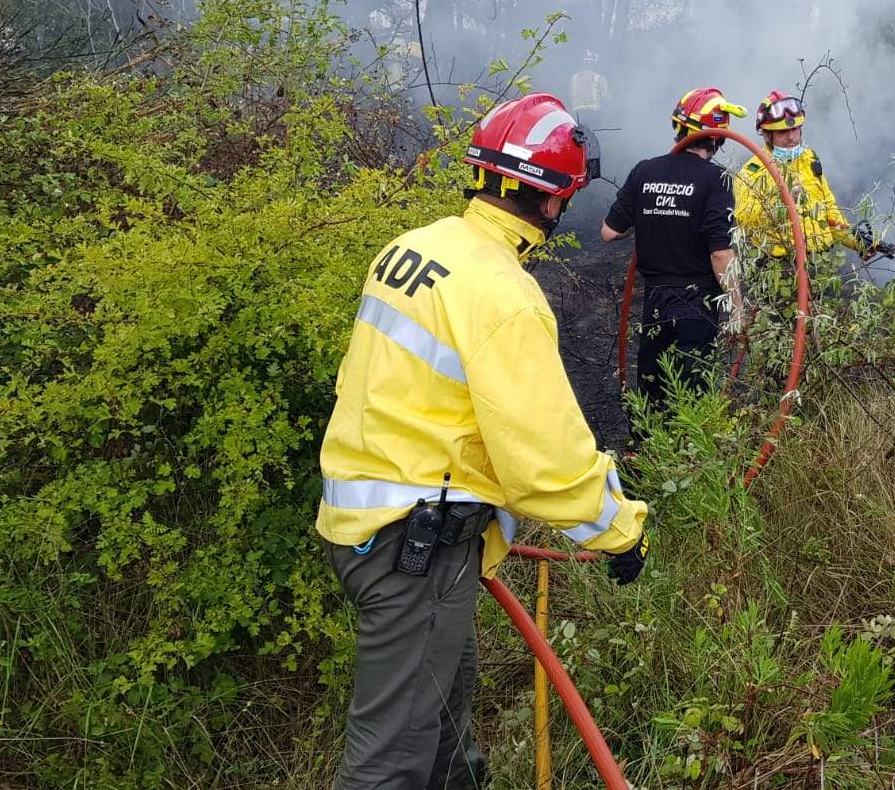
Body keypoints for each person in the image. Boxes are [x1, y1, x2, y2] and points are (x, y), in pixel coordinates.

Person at [318, 92, 650, 790]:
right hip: (417, 551)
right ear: (552, 200)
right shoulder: (504, 294)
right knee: (390, 765)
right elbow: (545, 462)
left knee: (442, 729)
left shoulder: (413, 248)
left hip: (365, 528)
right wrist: (620, 531)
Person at [601, 87, 744, 415]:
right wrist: (737, 308)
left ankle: (644, 454)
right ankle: (688, 462)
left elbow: (610, 232)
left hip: (654, 300)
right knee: (690, 394)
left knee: (651, 386)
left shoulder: (645, 170)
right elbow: (720, 253)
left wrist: (652, 216)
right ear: (717, 136)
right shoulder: (717, 179)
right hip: (697, 302)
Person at [733, 90, 892, 263]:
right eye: (782, 132)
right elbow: (746, 222)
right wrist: (783, 205)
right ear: (767, 135)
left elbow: (829, 213)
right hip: (781, 268)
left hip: (820, 263)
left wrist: (862, 242)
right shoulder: (753, 171)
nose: (791, 137)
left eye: (795, 129)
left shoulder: (809, 158)